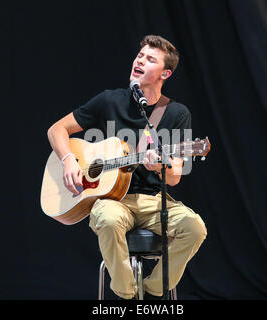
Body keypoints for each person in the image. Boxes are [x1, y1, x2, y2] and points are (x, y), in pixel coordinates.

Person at [47, 35, 207, 300]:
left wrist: (158, 166)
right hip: (112, 200)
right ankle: (128, 295)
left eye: (150, 59)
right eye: (140, 55)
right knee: (108, 219)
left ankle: (153, 290)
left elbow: (176, 175)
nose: (140, 61)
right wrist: (67, 160)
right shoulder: (109, 101)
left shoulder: (176, 113)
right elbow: (57, 129)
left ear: (165, 73)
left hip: (154, 202)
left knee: (195, 228)